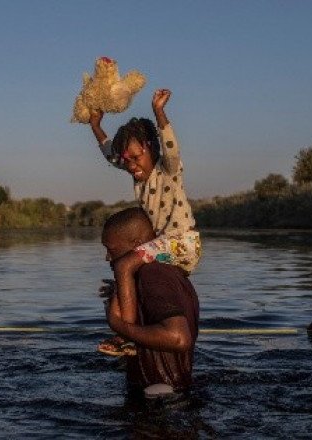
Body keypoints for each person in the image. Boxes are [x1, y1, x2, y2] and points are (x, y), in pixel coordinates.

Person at [89, 89, 201, 356]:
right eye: (127, 161)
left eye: (136, 158)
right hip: (162, 245)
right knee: (121, 276)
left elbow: (171, 147)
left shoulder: (167, 170)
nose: (130, 166)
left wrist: (159, 113)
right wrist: (95, 125)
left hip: (182, 242)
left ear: (150, 147)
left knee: (124, 264)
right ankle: (123, 334)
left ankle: (126, 335)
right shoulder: (134, 172)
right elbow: (111, 154)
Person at [101, 208, 199, 396]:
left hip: (160, 401)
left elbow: (178, 338)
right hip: (170, 393)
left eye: (110, 249)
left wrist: (116, 323)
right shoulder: (164, 274)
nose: (107, 257)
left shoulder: (153, 275)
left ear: (138, 245)